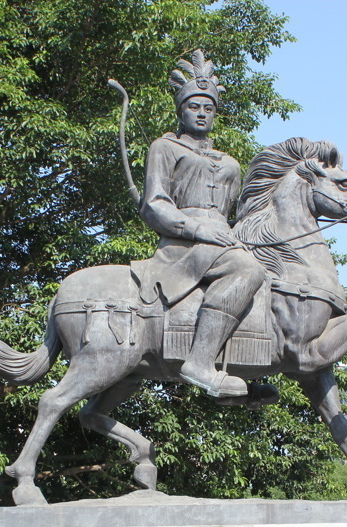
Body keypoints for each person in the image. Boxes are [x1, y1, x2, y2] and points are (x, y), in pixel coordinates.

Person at [133, 50, 266, 399]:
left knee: (271, 274)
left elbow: (234, 213)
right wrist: (195, 228)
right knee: (249, 272)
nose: (202, 113)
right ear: (181, 110)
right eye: (194, 106)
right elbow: (154, 204)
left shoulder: (229, 162)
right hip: (184, 246)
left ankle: (247, 368)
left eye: (209, 108)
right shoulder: (164, 147)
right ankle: (199, 363)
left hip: (223, 242)